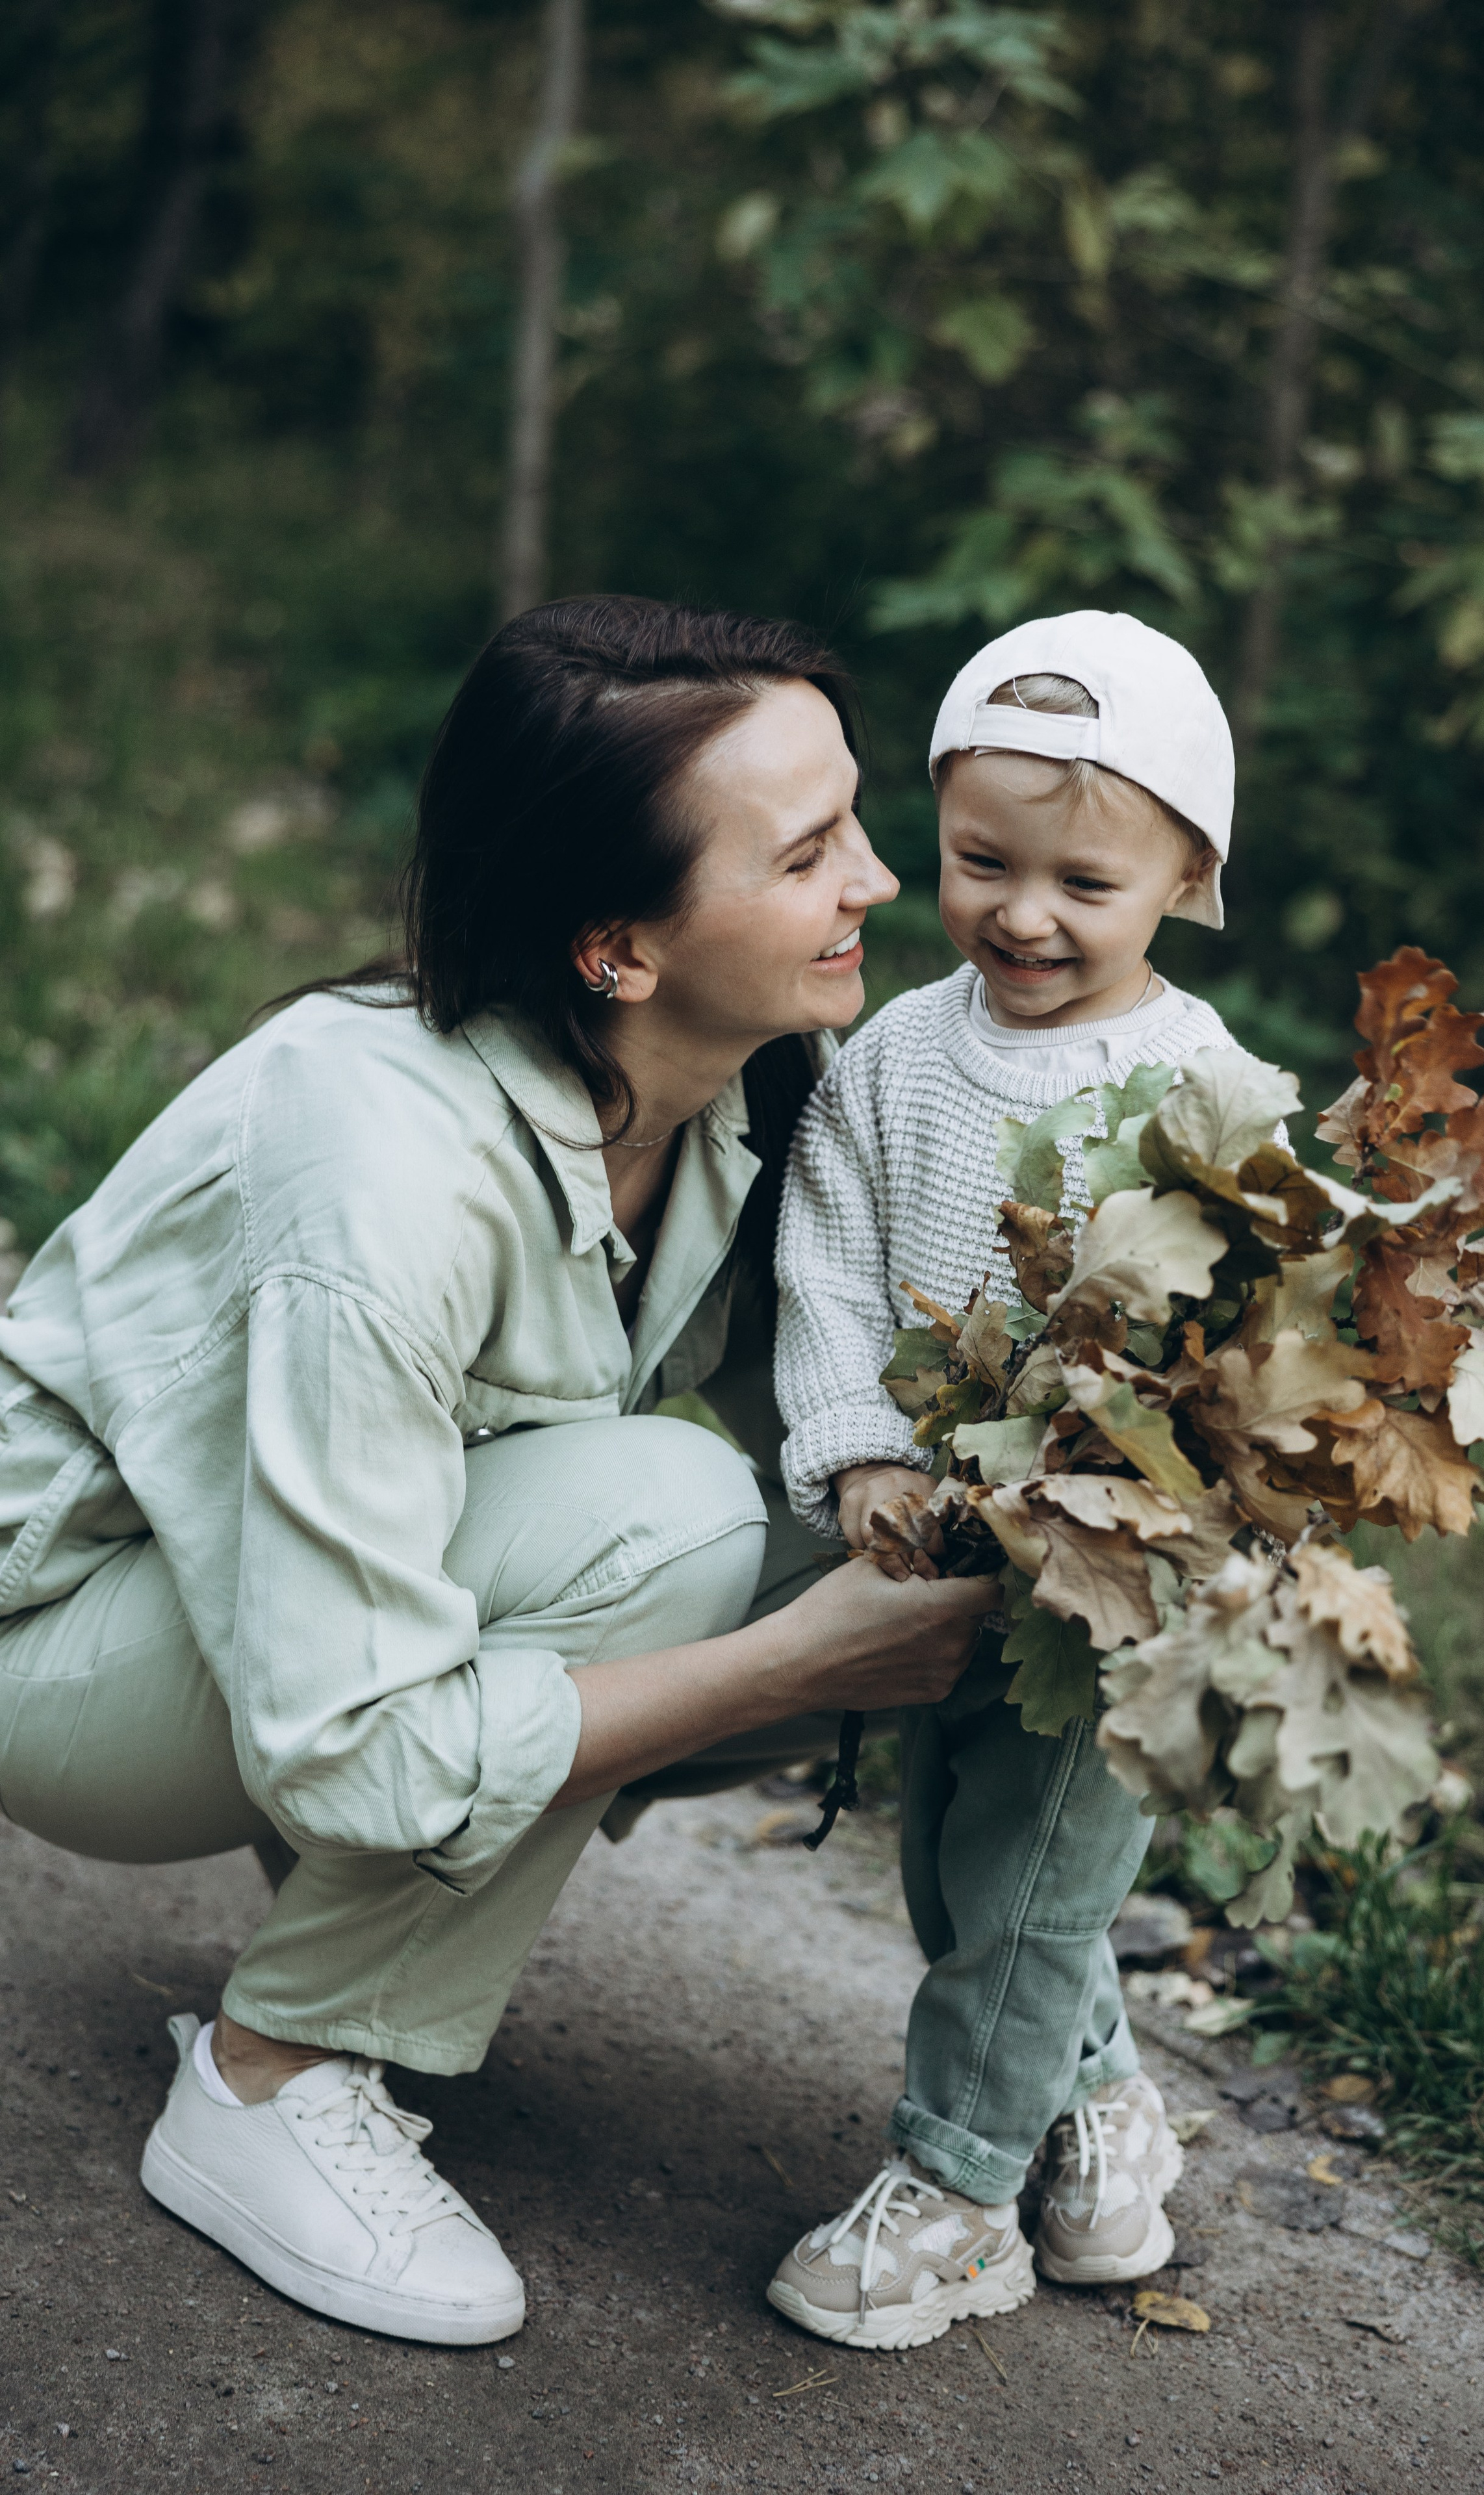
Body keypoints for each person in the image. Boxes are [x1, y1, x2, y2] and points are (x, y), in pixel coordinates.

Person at [0, 596, 997, 2348]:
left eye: (856, 823)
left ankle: (1064, 2076)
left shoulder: (756, 1088)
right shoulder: (386, 1175)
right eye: (808, 855)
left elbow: (852, 1451)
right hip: (66, 1644)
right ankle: (268, 2076)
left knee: (957, 1543)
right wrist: (796, 1669)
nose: (879, 882)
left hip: (297, 1614)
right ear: (619, 948)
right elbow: (348, 1747)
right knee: (673, 1522)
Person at [769, 609, 1249, 2350]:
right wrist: (858, 1450)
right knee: (964, 1874)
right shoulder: (896, 1057)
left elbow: (1259, 1339)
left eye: (1084, 884)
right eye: (985, 862)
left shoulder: (1206, 1090)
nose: (1024, 915)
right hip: (935, 1543)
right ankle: (1100, 2104)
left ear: (1186, 879)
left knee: (1028, 1887)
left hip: (1105, 1579)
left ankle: (961, 2191)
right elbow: (830, 1264)